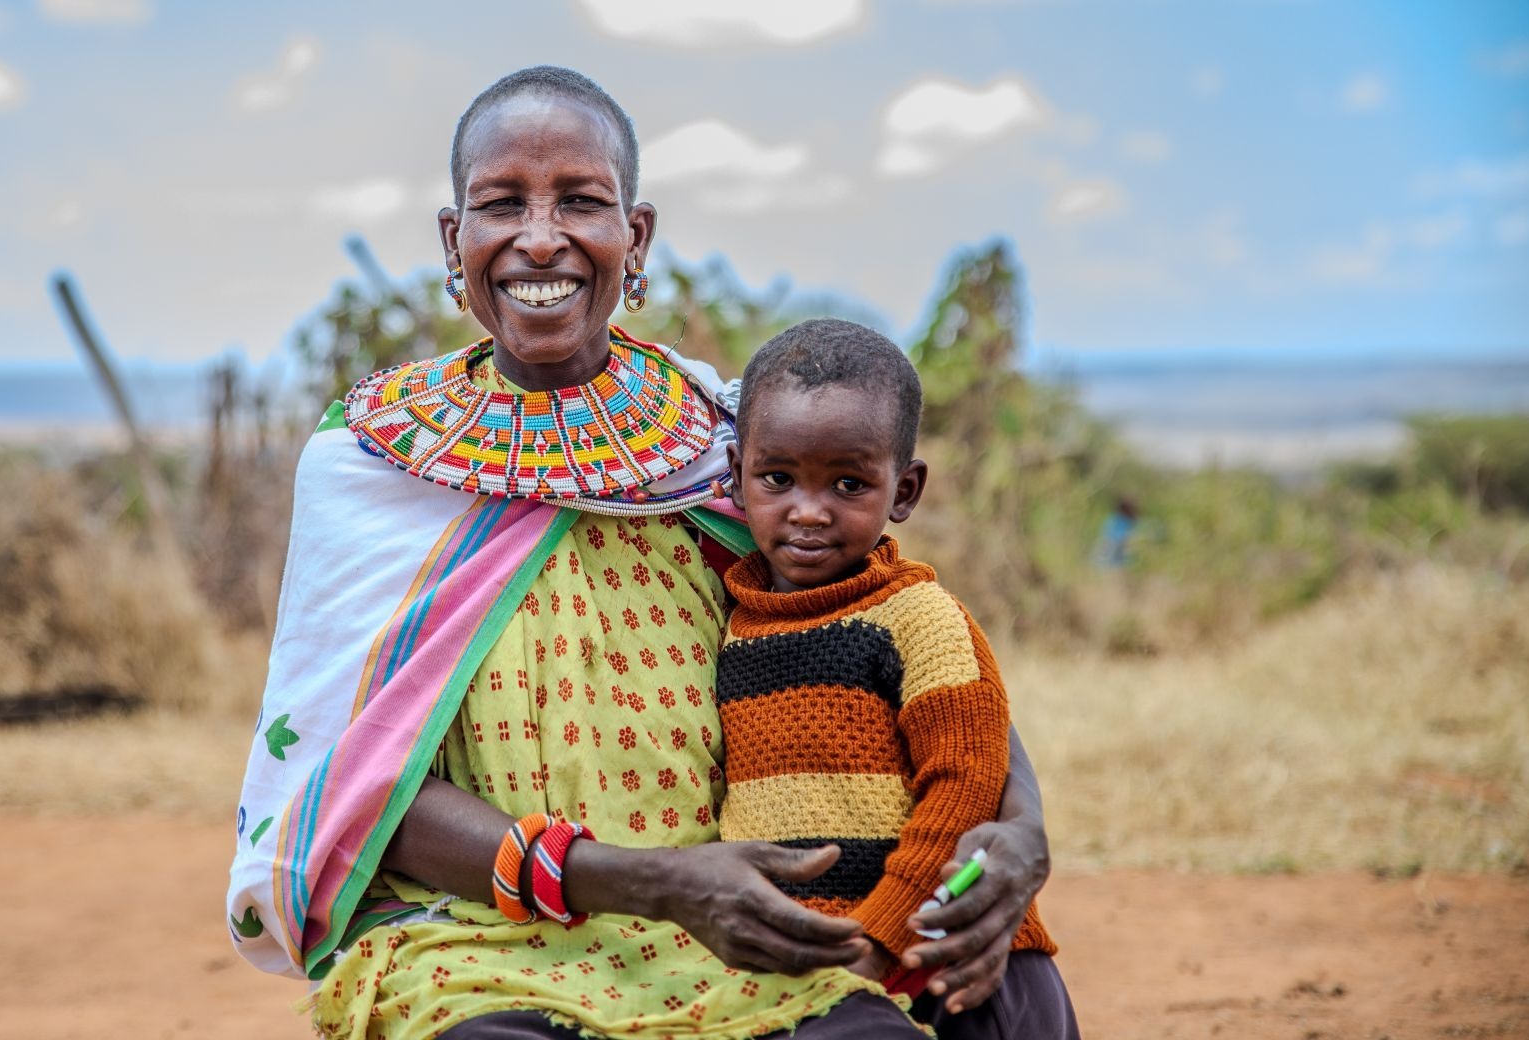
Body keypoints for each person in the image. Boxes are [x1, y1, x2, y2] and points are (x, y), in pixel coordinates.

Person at [226, 66, 1054, 1040]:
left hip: (735, 922)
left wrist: (1024, 835)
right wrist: (648, 880)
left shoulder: (729, 445)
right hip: (478, 931)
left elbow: (907, 640)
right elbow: (353, 789)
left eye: (581, 200)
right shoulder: (370, 472)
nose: (541, 237)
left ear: (637, 235)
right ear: (456, 242)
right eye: (502, 204)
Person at [718, 319, 1078, 1038]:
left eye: (849, 484)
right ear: (735, 475)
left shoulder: (920, 617)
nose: (809, 510)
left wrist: (881, 940)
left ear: (904, 489)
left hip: (955, 964)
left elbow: (969, 785)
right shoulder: (734, 622)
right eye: (778, 478)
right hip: (822, 976)